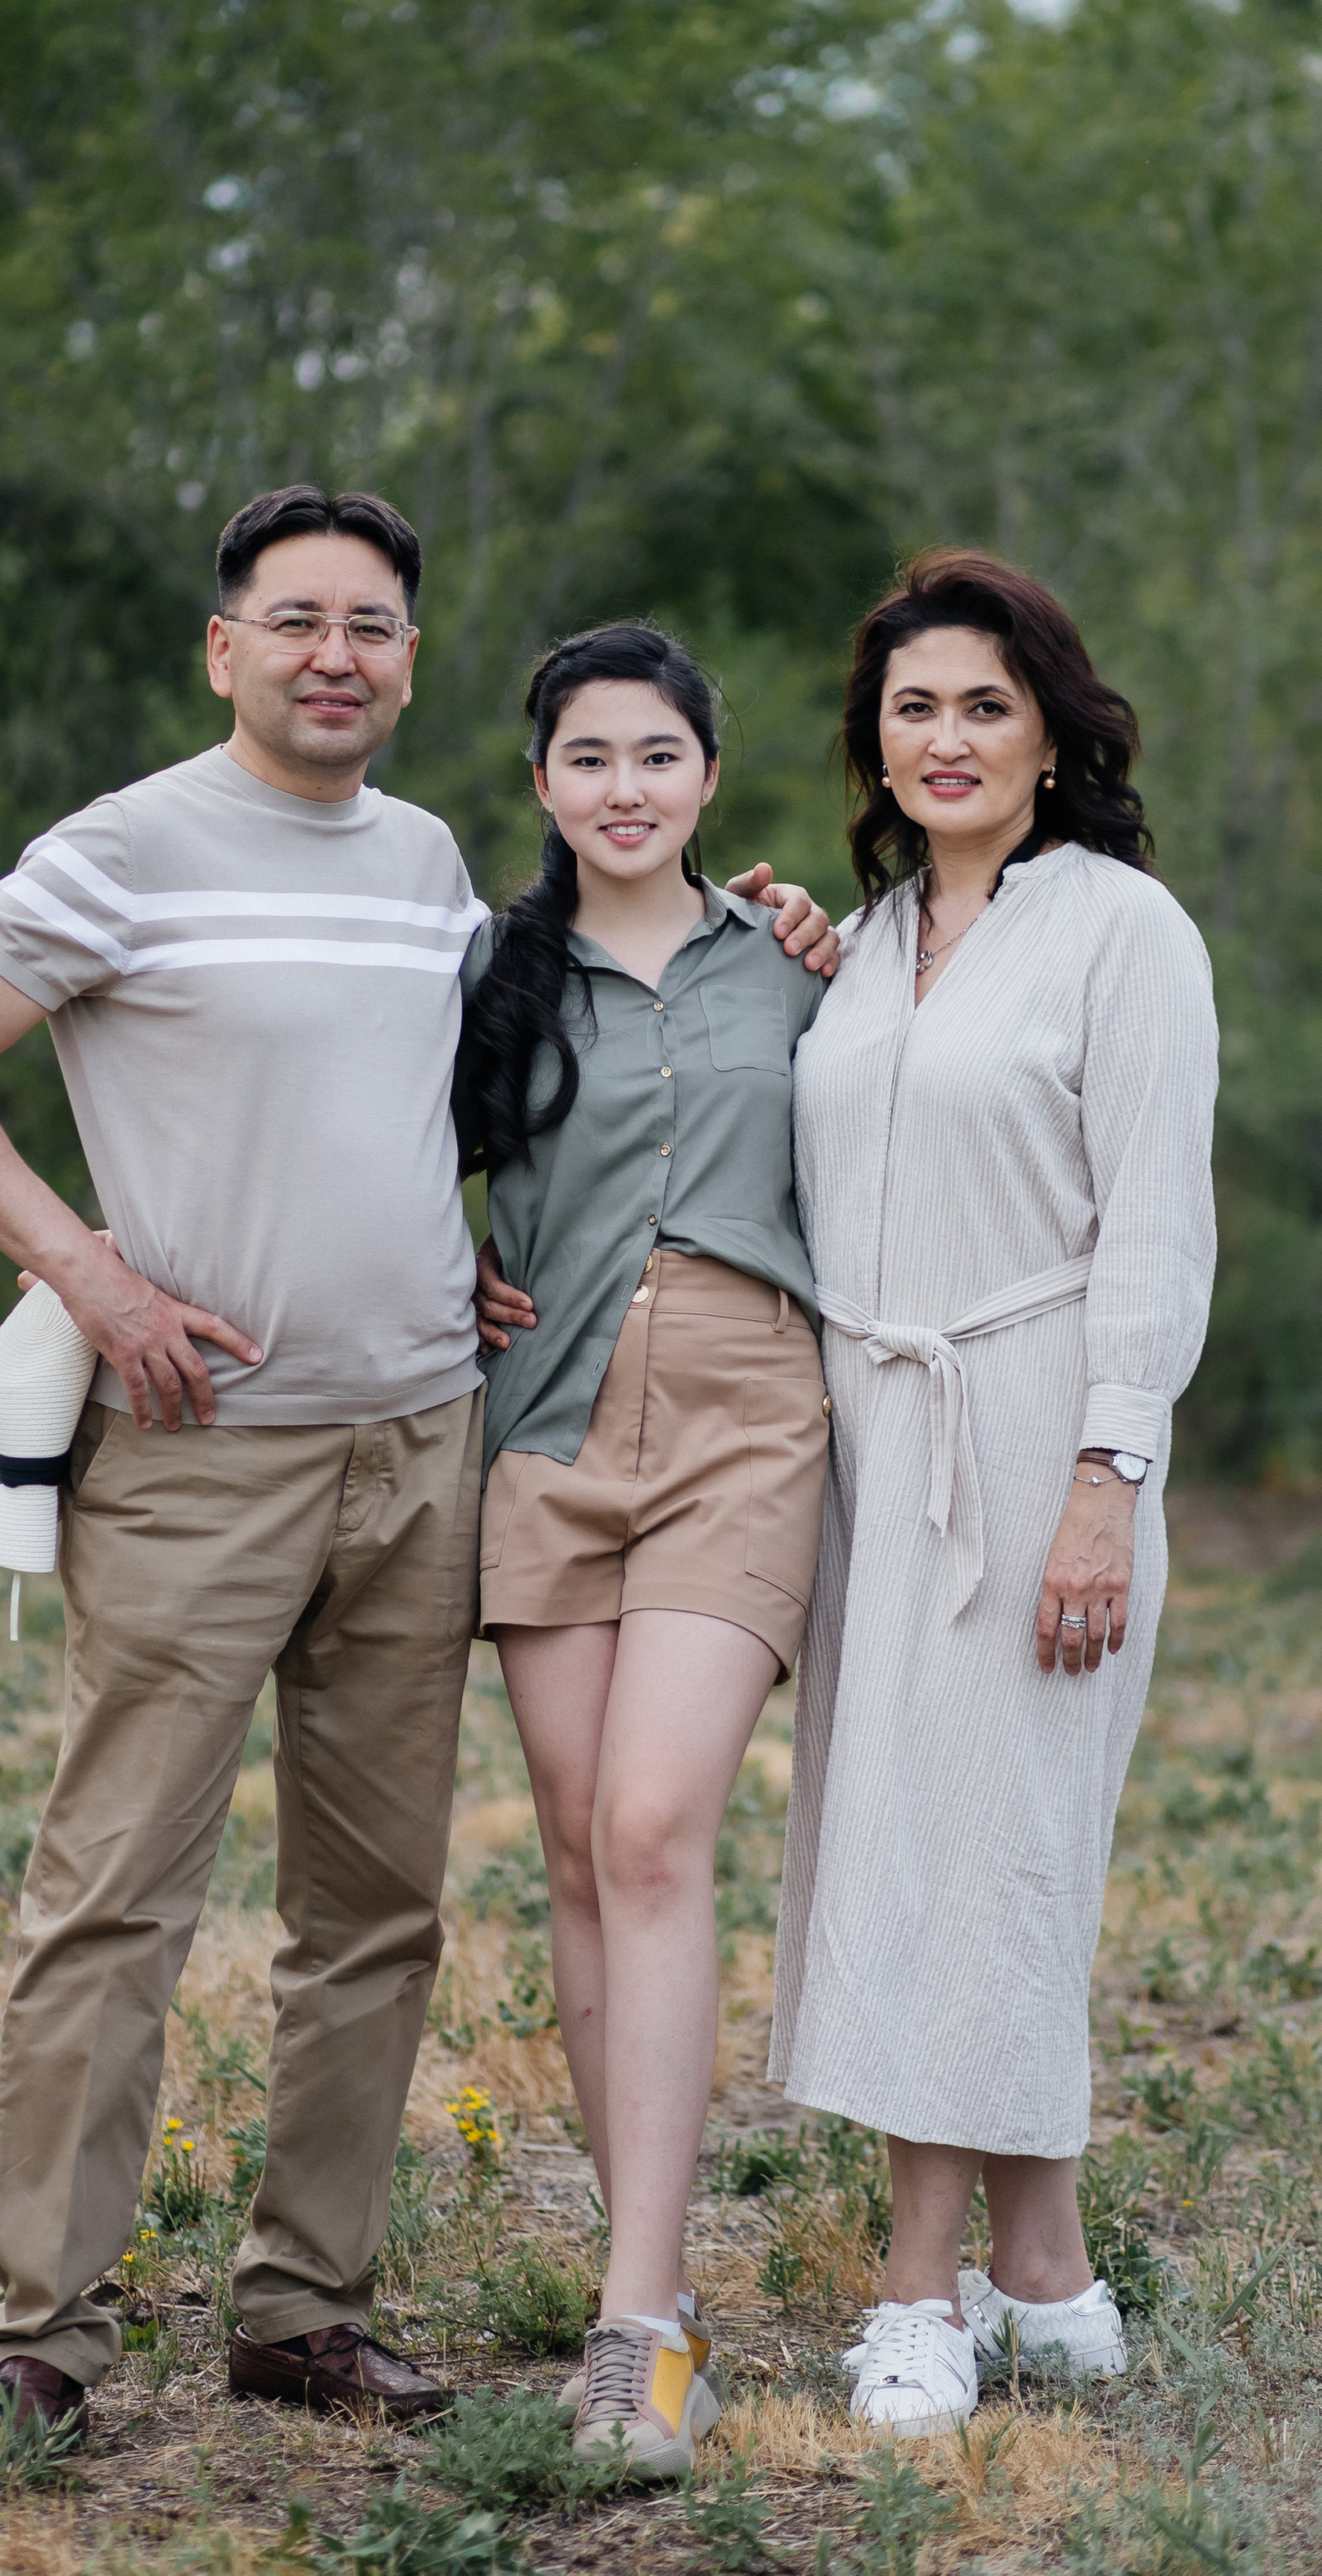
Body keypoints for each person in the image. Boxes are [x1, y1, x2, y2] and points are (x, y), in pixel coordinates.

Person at [0, 489, 837, 2443]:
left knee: (374, 1912)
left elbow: (510, 1077)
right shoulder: (124, 848)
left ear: (406, 661)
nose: (333, 654)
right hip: (204, 1451)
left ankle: (304, 2301)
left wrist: (775, 926)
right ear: (224, 648)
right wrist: (85, 1267)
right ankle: (38, 2329)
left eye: (371, 625)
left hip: (427, 1448)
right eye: (293, 619)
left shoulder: (432, 867)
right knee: (118, 1889)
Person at [768, 549, 1217, 2437]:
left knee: (981, 1855)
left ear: (1049, 734)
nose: (941, 737)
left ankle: (915, 2298)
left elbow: (1157, 1227)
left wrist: (1106, 1479)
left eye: (981, 705)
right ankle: (1046, 2273)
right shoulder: (870, 946)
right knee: (908, 1847)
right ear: (872, 743)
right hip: (874, 1434)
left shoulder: (1122, 931)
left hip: (1036, 1434)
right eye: (910, 706)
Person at [457, 625, 833, 2481]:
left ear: (706, 777)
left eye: (657, 756)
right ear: (541, 786)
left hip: (749, 1418)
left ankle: (630, 2330)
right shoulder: (486, 971)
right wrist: (433, 1258)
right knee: (577, 1856)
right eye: (586, 758)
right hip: (543, 1425)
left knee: (653, 1826)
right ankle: (657, 2292)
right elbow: (381, 1148)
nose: (623, 787)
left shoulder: (795, 963)